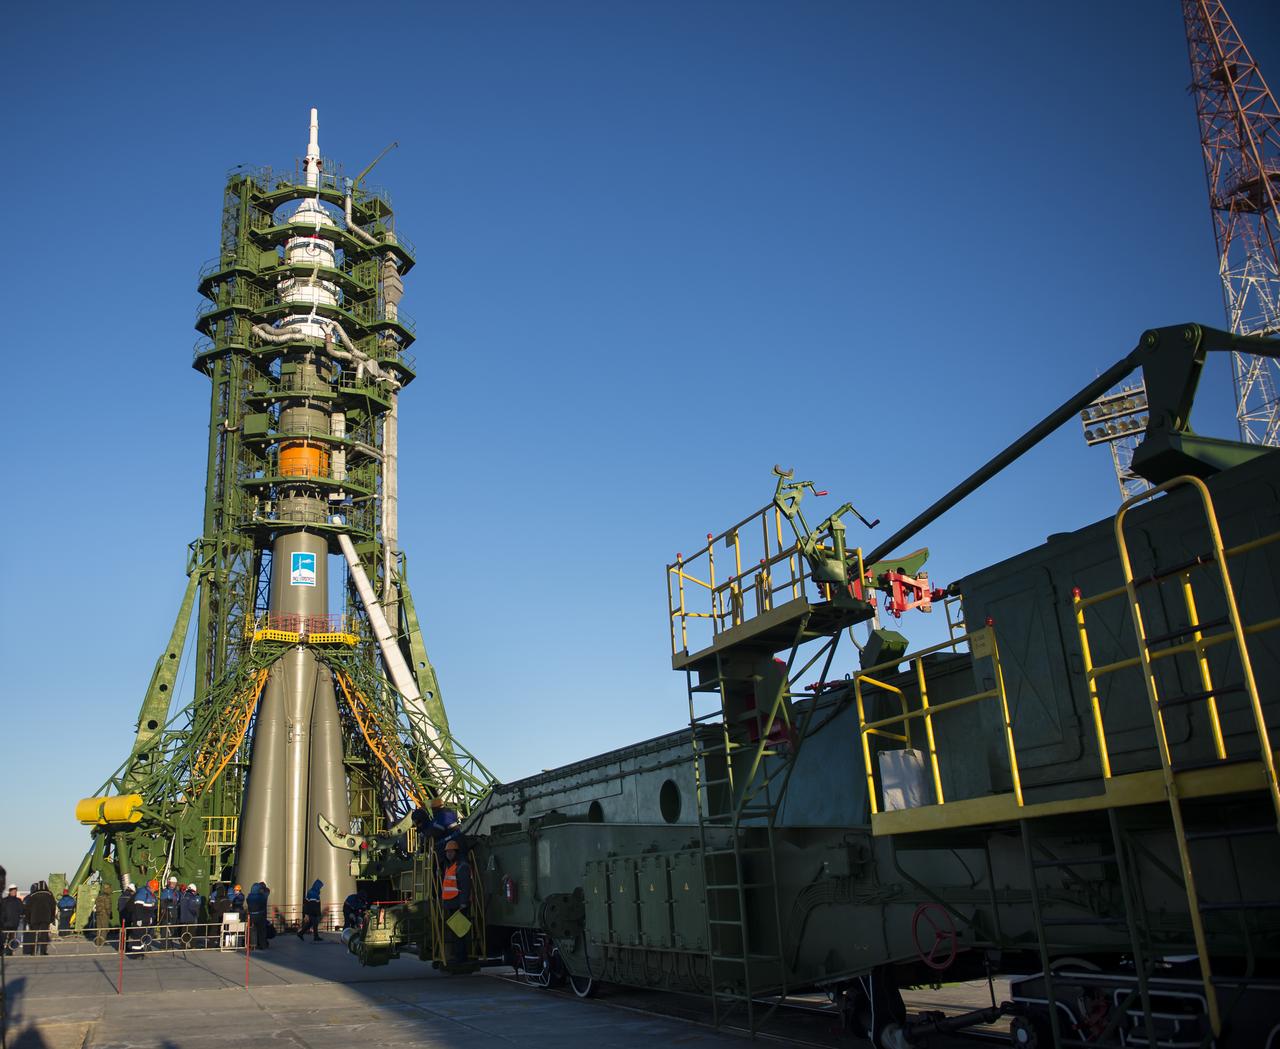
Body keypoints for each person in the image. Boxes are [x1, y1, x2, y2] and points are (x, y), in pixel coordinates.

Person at [440, 839, 471, 969]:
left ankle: (461, 957)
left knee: (460, 932)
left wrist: (463, 903)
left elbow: (465, 885)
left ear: (456, 852)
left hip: (458, 904)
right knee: (456, 932)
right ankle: (458, 956)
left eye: (451, 852)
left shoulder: (461, 866)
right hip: (451, 904)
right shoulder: (450, 866)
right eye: (447, 852)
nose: (449, 854)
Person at [23, 881, 57, 956]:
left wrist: (28, 919)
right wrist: (52, 918)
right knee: (44, 935)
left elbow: (28, 908)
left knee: (33, 935)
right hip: (45, 918)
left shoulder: (33, 895)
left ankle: (32, 951)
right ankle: (43, 951)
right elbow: (53, 907)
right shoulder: (49, 895)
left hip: (34, 918)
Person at [128, 880, 157, 958]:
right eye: (153, 888)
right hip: (139, 919)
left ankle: (140, 952)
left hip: (146, 919)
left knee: (143, 936)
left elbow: (151, 909)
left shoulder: (150, 895)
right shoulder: (142, 893)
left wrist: (151, 918)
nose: (154, 890)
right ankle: (135, 954)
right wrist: (139, 919)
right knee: (137, 936)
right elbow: (138, 908)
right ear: (149, 887)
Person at [246, 882, 270, 950]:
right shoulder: (261, 897)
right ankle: (262, 945)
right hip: (260, 915)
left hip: (251, 915)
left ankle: (252, 944)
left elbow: (247, 901)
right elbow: (267, 894)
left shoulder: (249, 897)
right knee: (261, 931)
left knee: (252, 930)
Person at [1, 885, 22, 956]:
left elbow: (21, 911)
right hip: (5, 923)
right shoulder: (4, 900)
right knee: (3, 938)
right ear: (10, 891)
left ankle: (9, 952)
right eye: (13, 891)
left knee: (11, 939)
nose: (14, 892)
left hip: (14, 923)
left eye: (15, 891)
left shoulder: (18, 901)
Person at [160, 876, 181, 945]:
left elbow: (178, 901)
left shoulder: (176, 892)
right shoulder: (166, 891)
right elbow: (162, 902)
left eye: (175, 883)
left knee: (172, 927)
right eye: (172, 883)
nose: (173, 885)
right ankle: (164, 943)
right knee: (165, 927)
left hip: (174, 911)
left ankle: (170, 941)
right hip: (167, 911)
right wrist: (164, 909)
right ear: (169, 883)